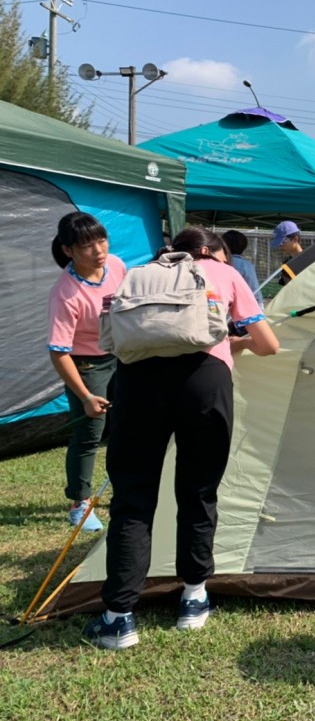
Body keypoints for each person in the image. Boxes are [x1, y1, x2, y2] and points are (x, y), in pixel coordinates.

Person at [84, 227, 280, 650]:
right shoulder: (222, 273)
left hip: (136, 383)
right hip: (204, 382)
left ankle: (118, 618)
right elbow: (269, 345)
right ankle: (194, 598)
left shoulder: (140, 272)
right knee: (198, 490)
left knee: (133, 498)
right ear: (209, 251)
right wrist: (233, 342)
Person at [47, 212, 127, 532]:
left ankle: (126, 487)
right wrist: (85, 396)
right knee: (89, 434)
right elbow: (58, 352)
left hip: (121, 355)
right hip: (86, 365)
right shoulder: (65, 293)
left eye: (101, 240)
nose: (99, 250)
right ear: (68, 251)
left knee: (127, 425)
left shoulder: (118, 266)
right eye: (87, 246)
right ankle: (79, 504)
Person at [222, 229, 264, 309]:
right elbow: (254, 288)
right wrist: (260, 306)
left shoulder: (219, 262)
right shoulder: (246, 265)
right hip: (240, 308)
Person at [271, 220, 303, 286]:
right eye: (278, 244)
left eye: (282, 242)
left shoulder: (311, 260)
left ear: (295, 239)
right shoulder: (286, 264)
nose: (280, 246)